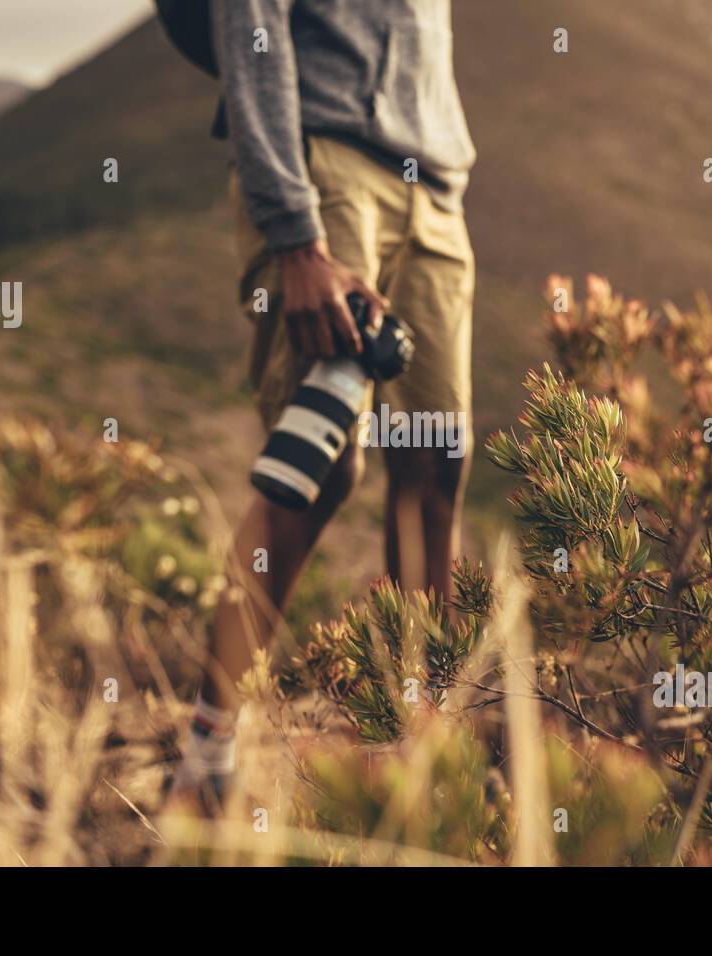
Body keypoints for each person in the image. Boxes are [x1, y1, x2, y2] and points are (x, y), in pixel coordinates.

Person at [168, 0, 477, 812]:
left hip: (435, 184)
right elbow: (251, 25)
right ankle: (205, 759)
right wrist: (295, 238)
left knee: (435, 462)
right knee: (319, 465)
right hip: (325, 165)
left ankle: (418, 757)